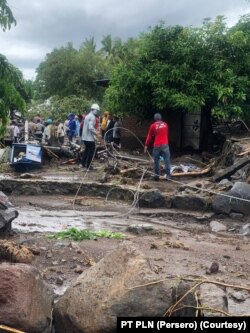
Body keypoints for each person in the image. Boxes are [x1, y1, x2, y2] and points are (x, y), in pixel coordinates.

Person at [144, 113, 171, 181]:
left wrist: (146, 145)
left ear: (155, 119)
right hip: (165, 145)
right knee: (167, 160)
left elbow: (149, 136)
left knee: (156, 161)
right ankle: (168, 175)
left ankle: (156, 176)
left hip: (157, 145)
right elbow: (166, 134)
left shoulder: (153, 126)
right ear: (161, 118)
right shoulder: (165, 125)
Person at [81, 103, 100, 170]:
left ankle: (83, 163)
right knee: (91, 151)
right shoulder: (92, 117)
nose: (97, 112)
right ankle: (88, 165)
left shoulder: (87, 116)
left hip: (85, 137)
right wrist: (96, 133)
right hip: (89, 138)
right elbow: (90, 127)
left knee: (86, 150)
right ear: (94, 110)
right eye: (96, 110)